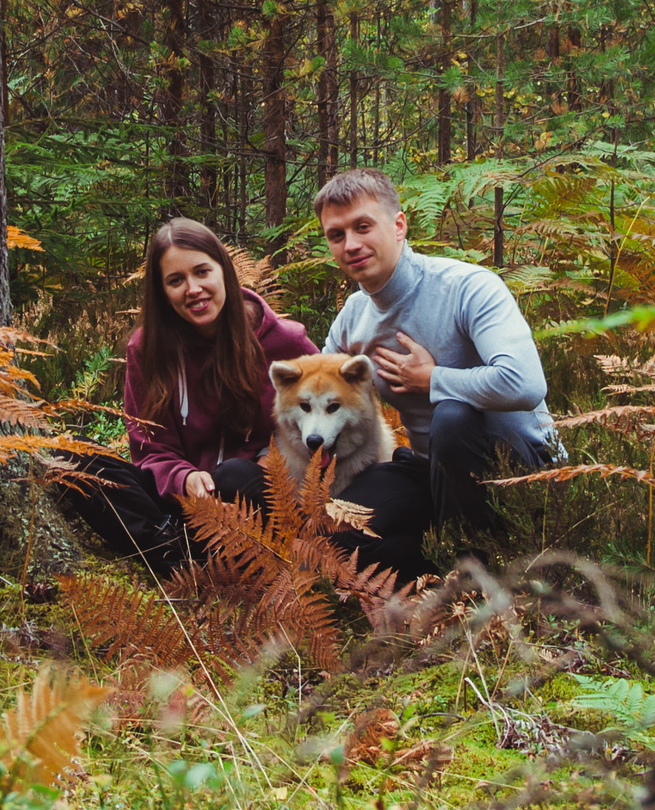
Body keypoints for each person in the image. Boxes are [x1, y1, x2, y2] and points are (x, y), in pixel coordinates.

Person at [70, 217, 428, 582]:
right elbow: (149, 448)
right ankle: (172, 547)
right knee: (75, 458)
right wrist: (184, 477)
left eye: (202, 272)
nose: (193, 288)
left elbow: (319, 409)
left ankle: (211, 556)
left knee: (235, 475)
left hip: (257, 494)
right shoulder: (147, 350)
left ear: (223, 271)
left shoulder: (282, 342)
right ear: (162, 292)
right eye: (176, 281)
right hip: (180, 497)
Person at [316, 168, 558, 546]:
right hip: (431, 473)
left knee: (453, 415)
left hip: (524, 470)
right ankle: (445, 562)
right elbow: (314, 391)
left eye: (363, 226)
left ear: (398, 226)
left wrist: (432, 379)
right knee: (338, 533)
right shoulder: (353, 316)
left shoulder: (468, 288)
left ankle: (479, 573)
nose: (350, 244)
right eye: (337, 235)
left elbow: (525, 384)